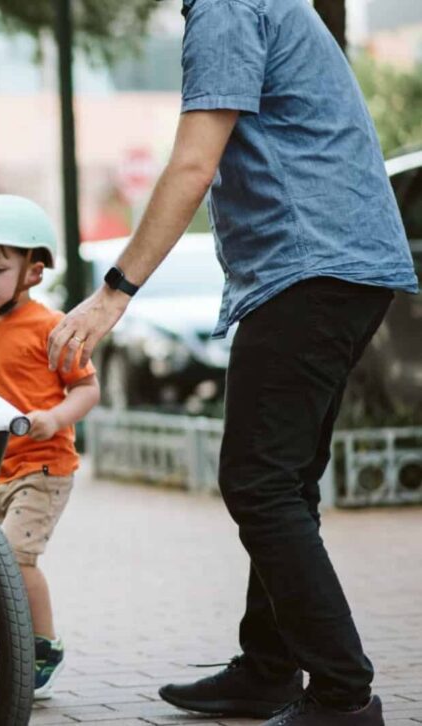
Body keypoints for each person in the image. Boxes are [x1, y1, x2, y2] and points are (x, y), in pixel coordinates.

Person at [45, 1, 418, 724]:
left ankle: (344, 696)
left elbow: (193, 162)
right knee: (283, 481)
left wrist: (113, 294)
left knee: (258, 481)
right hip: (345, 264)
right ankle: (270, 666)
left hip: (311, 265)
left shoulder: (224, 6)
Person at [0, 195, 100, 701]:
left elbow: (87, 388)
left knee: (15, 558)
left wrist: (54, 418)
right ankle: (13, 654)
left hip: (45, 466)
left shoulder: (50, 327)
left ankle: (41, 650)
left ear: (33, 272)